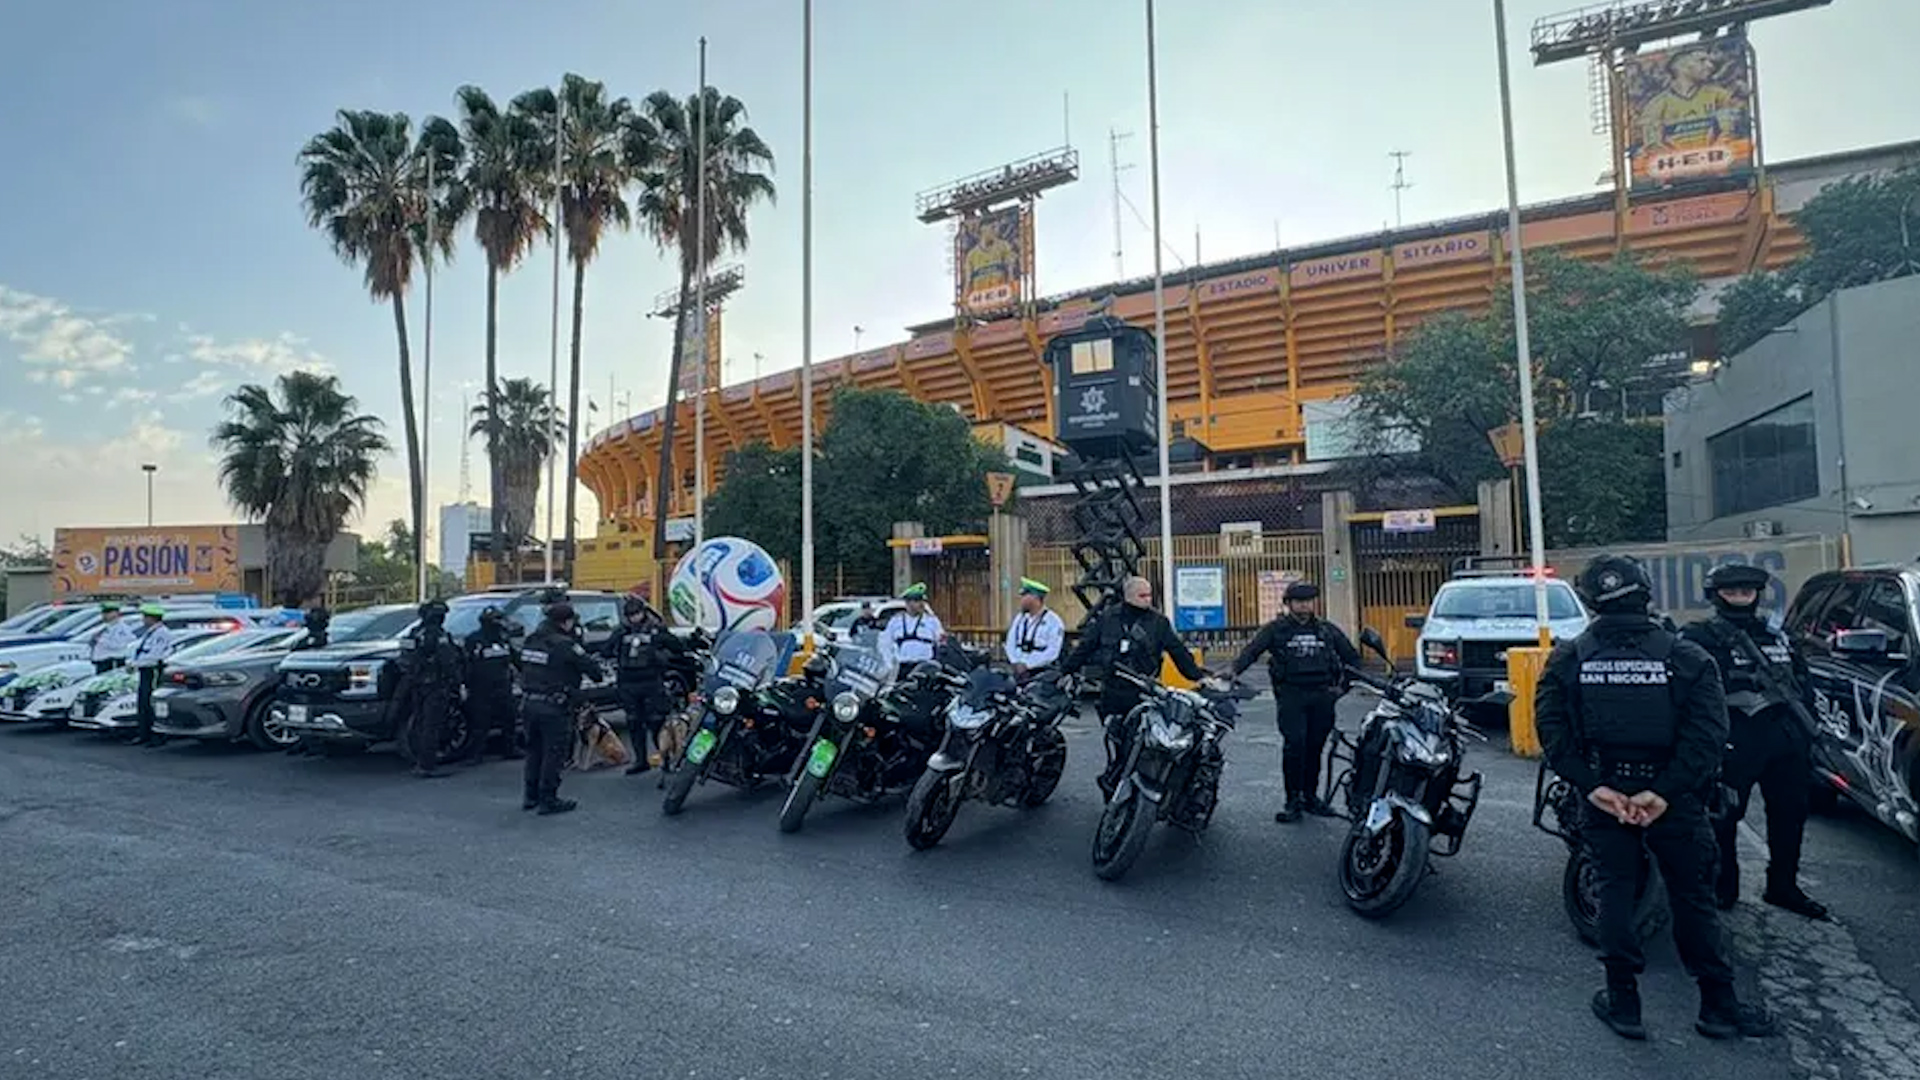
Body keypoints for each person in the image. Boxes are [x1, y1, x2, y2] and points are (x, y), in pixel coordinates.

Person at [1536, 555, 1775, 1042]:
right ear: (1646, 594)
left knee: (1616, 891)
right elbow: (1709, 735)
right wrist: (1663, 792)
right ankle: (1718, 1006)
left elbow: (1552, 730)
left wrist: (1592, 785)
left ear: (1589, 602)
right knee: (1693, 898)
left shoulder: (1569, 657)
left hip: (1605, 793)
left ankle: (1624, 1002)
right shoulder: (1686, 657)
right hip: (1675, 798)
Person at [1681, 562, 1827, 920]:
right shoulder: (1699, 637)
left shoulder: (1778, 636)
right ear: (1716, 596)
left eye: (1747, 592)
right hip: (1733, 738)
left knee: (1790, 814)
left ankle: (1783, 886)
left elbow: (1802, 682)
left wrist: (1808, 728)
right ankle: (1723, 886)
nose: (1740, 598)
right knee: (1725, 815)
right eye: (1732, 592)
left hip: (1785, 738)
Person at [1058, 576, 1207, 798]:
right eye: (1142, 595)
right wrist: (1065, 670)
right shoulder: (1108, 618)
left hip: (1143, 694)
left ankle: (1138, 789)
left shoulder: (1158, 622)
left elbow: (1179, 653)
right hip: (1113, 693)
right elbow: (1086, 647)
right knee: (1118, 743)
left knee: (1143, 745)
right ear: (1129, 596)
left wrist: (1199, 677)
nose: (1148, 599)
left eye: (1149, 594)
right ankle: (1115, 789)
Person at [1230, 581, 1361, 823]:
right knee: (1295, 746)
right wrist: (1233, 671)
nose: (1304, 605)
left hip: (1323, 695)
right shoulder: (1276, 629)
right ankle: (1293, 801)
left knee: (1315, 747)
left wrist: (1342, 689)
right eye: (1299, 601)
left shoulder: (1327, 630)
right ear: (1289, 604)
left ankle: (1311, 797)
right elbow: (1251, 651)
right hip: (1292, 696)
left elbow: (1353, 659)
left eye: (1309, 600)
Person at [518, 600, 606, 815]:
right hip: (553, 706)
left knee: (534, 751)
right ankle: (548, 799)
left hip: (529, 702)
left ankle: (530, 796)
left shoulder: (531, 640)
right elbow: (594, 671)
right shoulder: (564, 644)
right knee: (553, 753)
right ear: (565, 622)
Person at [607, 596, 687, 776]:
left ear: (643, 613)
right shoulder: (621, 631)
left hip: (651, 681)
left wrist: (660, 653)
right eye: (630, 615)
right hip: (628, 682)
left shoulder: (656, 630)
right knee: (634, 722)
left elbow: (677, 647)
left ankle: (666, 758)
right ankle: (640, 760)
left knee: (656, 722)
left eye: (636, 614)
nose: (633, 618)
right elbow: (607, 649)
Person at [395, 599, 461, 780]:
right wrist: (457, 681)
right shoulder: (438, 635)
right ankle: (427, 765)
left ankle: (420, 762)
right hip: (435, 685)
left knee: (421, 723)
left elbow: (405, 659)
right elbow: (447, 660)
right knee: (432, 726)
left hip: (416, 684)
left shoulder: (414, 633)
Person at [460, 606, 523, 766]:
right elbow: (466, 664)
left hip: (503, 685)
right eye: (496, 619)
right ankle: (475, 754)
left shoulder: (503, 639)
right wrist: (465, 685)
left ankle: (510, 749)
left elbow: (516, 659)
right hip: (481, 688)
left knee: (509, 718)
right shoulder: (474, 640)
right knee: (480, 722)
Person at [126, 603, 174, 747]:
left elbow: (156, 656)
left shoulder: (162, 633)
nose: (143, 620)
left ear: (152, 618)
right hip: (144, 670)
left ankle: (156, 736)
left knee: (151, 703)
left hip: (152, 670)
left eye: (145, 617)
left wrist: (135, 664)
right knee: (143, 703)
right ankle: (144, 733)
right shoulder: (151, 632)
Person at [1004, 579, 1066, 679]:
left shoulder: (1053, 621)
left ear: (1035, 598)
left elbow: (1053, 651)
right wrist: (1015, 662)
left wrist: (1028, 665)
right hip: (1017, 670)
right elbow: (1010, 642)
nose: (1021, 600)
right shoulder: (1020, 619)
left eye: (1025, 596)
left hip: (1041, 672)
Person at [882, 584, 945, 681]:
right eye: (916, 601)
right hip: (903, 668)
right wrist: (889, 665)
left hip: (924, 668)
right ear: (907, 603)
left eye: (922, 601)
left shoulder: (932, 621)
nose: (921, 604)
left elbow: (942, 643)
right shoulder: (895, 621)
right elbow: (885, 644)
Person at [90, 602, 135, 675]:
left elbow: (119, 645)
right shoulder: (106, 627)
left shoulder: (122, 628)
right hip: (101, 663)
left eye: (108, 612)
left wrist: (99, 639)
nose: (104, 615)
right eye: (103, 612)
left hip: (112, 662)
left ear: (116, 613)